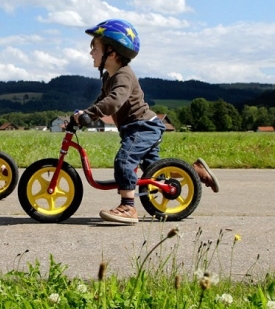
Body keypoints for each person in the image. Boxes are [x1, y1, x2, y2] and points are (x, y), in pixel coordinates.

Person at [74, 19, 219, 224]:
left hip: (142, 127)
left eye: (94, 48)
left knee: (125, 161)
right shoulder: (109, 77)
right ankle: (193, 171)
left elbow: (114, 101)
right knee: (155, 174)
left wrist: (89, 115)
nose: (91, 53)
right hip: (138, 127)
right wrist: (85, 114)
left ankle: (128, 207)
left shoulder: (123, 76)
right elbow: (102, 101)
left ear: (112, 53)